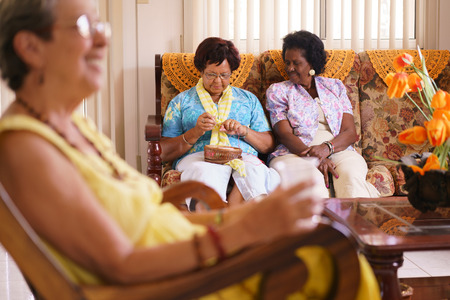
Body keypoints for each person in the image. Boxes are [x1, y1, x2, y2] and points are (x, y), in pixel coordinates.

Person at [0, 0, 380, 299]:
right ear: (31, 47)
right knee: (332, 258)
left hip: (187, 249)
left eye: (102, 26)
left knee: (325, 244)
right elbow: (124, 266)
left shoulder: (69, 125)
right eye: (84, 26)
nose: (103, 40)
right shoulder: (27, 148)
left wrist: (238, 222)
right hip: (180, 280)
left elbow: (145, 218)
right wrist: (244, 230)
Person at [161, 37, 280, 208]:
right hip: (199, 157)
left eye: (224, 75)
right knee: (206, 171)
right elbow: (164, 152)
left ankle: (230, 220)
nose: (218, 81)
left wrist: (244, 131)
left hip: (242, 156)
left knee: (253, 170)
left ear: (232, 72)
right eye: (211, 75)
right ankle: (213, 220)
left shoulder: (248, 100)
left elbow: (268, 145)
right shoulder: (182, 101)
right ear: (201, 71)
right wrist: (195, 132)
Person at [266, 30, 380, 198]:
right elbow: (284, 135)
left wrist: (327, 148)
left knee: (350, 178)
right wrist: (315, 157)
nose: (289, 68)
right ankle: (319, 225)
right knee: (311, 184)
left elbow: (349, 133)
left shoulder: (335, 87)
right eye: (287, 62)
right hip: (294, 153)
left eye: (296, 63)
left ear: (311, 63)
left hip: (339, 150)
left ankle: (356, 224)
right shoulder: (278, 91)